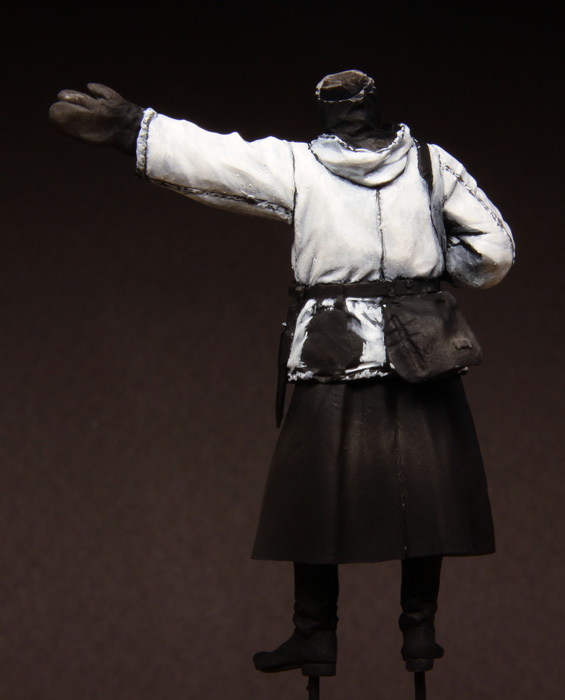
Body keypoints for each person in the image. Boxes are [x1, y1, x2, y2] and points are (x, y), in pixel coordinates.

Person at [49, 70, 514, 678]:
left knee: (316, 497)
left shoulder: (302, 165)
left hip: (334, 350)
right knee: (426, 494)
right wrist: (426, 273)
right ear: (375, 107)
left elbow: (217, 161)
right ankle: (418, 631)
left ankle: (315, 634)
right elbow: (494, 252)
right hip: (424, 349)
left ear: (326, 112)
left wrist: (136, 127)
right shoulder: (432, 164)